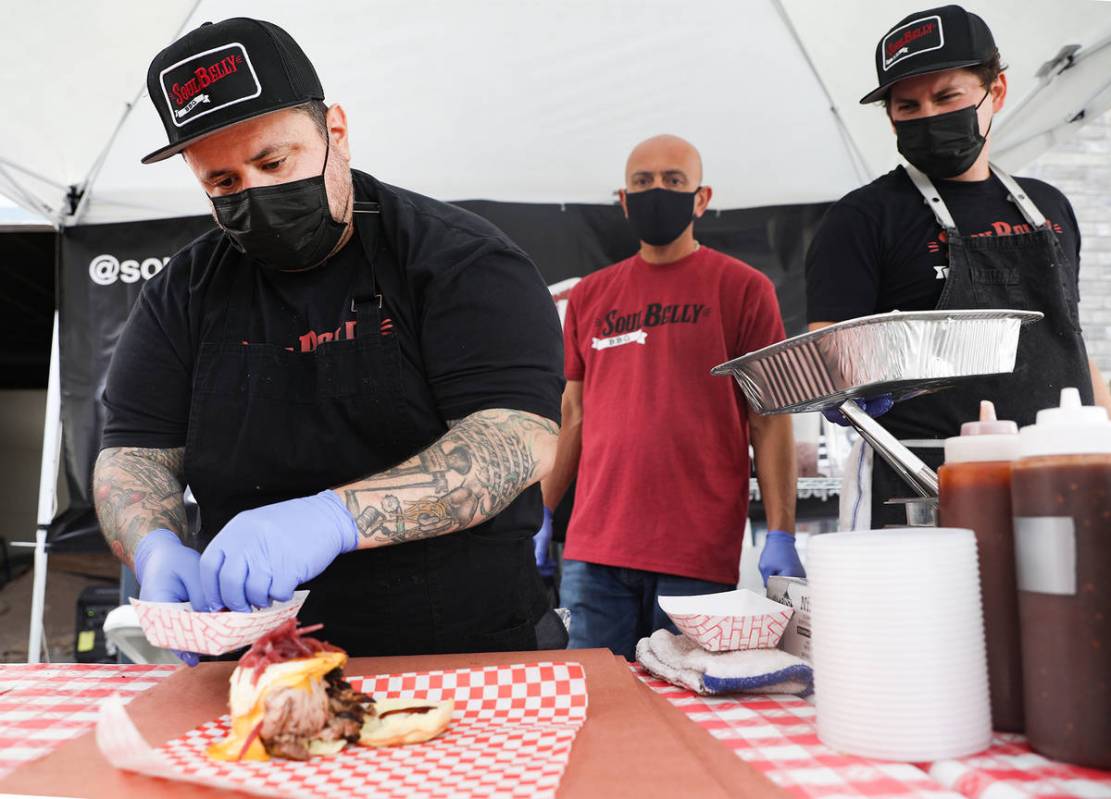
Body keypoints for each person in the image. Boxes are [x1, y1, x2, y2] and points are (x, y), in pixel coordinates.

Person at [92, 17, 565, 662]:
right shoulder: (183, 291)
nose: (254, 193)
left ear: (334, 130)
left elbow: (517, 435)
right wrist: (153, 544)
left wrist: (330, 519)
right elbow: (134, 455)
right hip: (260, 657)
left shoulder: (460, 260)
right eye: (223, 183)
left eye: (272, 161)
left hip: (462, 649)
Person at [807, 4, 1111, 529]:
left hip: (1058, 476)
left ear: (995, 92)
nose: (928, 116)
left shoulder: (1050, 207)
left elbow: (1071, 344)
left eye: (947, 97)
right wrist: (848, 388)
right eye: (908, 106)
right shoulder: (861, 218)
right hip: (920, 483)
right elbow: (828, 355)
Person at [542, 134, 803, 661]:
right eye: (643, 182)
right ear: (623, 199)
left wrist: (783, 531)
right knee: (597, 707)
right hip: (595, 552)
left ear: (701, 198)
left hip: (695, 553)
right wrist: (541, 511)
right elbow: (573, 414)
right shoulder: (591, 295)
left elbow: (769, 418)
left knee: (688, 711)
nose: (657, 191)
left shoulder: (744, 289)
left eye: (673, 181)